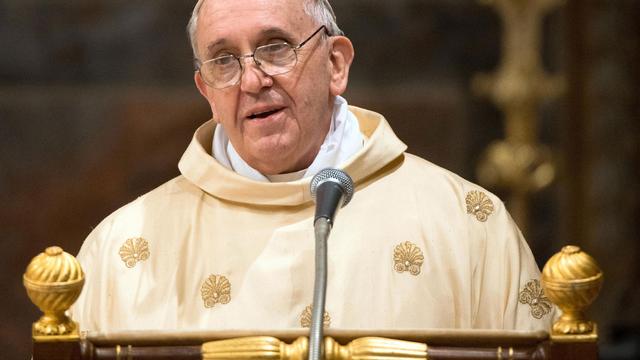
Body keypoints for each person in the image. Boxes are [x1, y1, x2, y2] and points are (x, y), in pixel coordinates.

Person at [71, 0, 554, 332]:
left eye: (276, 47)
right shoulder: (120, 251)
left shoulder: (468, 225)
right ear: (207, 92)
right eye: (223, 60)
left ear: (336, 64)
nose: (252, 80)